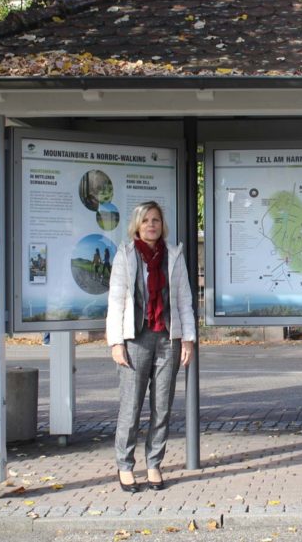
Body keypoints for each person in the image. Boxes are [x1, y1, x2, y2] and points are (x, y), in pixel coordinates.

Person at [106, 201, 196, 493]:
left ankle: (154, 464)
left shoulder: (173, 255)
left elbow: (184, 300)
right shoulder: (126, 255)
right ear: (137, 225)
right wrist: (116, 342)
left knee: (162, 407)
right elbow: (116, 301)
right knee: (131, 406)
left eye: (155, 220)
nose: (151, 225)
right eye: (145, 220)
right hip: (135, 338)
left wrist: (188, 339)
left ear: (162, 224)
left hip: (168, 338)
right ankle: (125, 466)